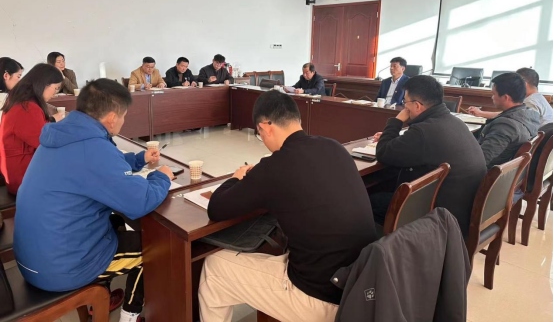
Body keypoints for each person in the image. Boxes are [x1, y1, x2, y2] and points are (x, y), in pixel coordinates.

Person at [199, 91, 376, 322]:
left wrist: (236, 177)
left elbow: (217, 208)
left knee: (214, 268)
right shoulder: (333, 146)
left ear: (266, 127)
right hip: (359, 284)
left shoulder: (274, 166)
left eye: (259, 133)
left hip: (321, 299)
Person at [14, 79, 173, 322]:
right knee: (158, 248)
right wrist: (162, 177)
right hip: (64, 268)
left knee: (116, 223)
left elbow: (101, 166)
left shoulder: (65, 134)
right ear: (112, 118)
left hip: (35, 258)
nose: (123, 121)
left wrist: (138, 159)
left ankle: (100, 298)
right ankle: (130, 316)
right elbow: (139, 201)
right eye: (124, 116)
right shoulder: (92, 148)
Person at [369, 76, 486, 237]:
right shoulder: (453, 121)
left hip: (440, 216)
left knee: (368, 201)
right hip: (462, 209)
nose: (404, 107)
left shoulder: (423, 131)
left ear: (417, 105)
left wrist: (396, 121)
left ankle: (380, 248)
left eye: (405, 102)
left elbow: (383, 153)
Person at [0, 63, 63, 195]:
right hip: (23, 175)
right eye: (56, 88)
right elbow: (44, 141)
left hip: (18, 168)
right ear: (44, 84)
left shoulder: (20, 99)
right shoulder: (26, 106)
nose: (55, 93)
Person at [470, 72, 540, 170]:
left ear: (506, 97)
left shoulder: (506, 126)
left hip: (488, 173)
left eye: (493, 94)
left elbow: (480, 160)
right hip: (505, 170)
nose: (492, 97)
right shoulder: (530, 114)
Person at [468, 68, 552, 127]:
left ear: (524, 84)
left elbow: (512, 115)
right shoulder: (538, 98)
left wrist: (481, 113)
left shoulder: (531, 102)